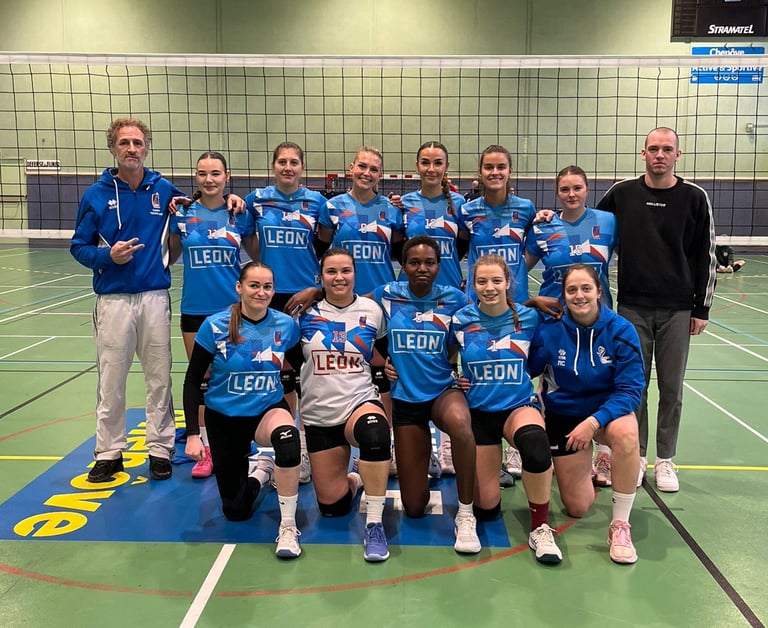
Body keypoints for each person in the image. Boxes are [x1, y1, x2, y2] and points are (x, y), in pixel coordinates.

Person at [596, 127, 717, 492]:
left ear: (677, 155)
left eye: (667, 149)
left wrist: (701, 308)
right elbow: (589, 225)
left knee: (671, 388)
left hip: (678, 309)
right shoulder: (622, 193)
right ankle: (636, 456)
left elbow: (706, 255)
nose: (659, 154)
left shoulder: (694, 197)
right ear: (643, 153)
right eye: (653, 149)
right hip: (632, 307)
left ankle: (665, 460)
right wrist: (549, 220)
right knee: (634, 386)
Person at [71, 117, 180, 483]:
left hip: (154, 297)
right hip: (113, 299)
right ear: (113, 149)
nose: (131, 148)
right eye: (124, 143)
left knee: (159, 378)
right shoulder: (96, 194)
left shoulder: (164, 190)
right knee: (111, 380)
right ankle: (108, 452)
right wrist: (108, 257)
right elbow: (78, 247)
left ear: (146, 147)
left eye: (137, 142)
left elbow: (198, 210)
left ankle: (160, 449)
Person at [183, 261, 303, 558]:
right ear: (239, 287)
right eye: (254, 285)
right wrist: (193, 434)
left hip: (266, 411)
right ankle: (262, 473)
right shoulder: (215, 326)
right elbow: (193, 380)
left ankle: (288, 525)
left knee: (288, 440)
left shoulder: (285, 325)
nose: (261, 292)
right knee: (236, 511)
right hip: (224, 418)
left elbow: (303, 369)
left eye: (267, 287)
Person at [528, 264, 645, 564]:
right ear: (563, 296)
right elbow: (527, 367)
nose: (579, 296)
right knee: (578, 507)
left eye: (586, 289)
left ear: (599, 291)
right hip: (564, 416)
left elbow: (631, 390)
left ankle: (620, 525)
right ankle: (583, 465)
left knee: (627, 435)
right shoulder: (551, 330)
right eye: (572, 290)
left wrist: (593, 423)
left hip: (604, 415)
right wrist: (530, 309)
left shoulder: (621, 330)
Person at [451, 255, 563, 565]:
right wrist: (454, 378)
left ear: (507, 283)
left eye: (496, 281)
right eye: (482, 281)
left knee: (536, 446)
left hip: (517, 406)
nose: (489, 287)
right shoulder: (460, 320)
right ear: (473, 285)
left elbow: (546, 350)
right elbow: (445, 357)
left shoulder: (529, 319)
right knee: (486, 509)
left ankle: (540, 527)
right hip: (480, 412)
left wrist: (535, 301)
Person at [373, 235, 481, 554]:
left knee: (461, 425)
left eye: (429, 263)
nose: (422, 268)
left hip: (442, 390)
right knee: (414, 507)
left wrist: (533, 304)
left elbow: (486, 321)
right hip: (406, 399)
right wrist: (380, 361)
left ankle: (465, 514)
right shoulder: (387, 294)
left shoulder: (454, 299)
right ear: (403, 265)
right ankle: (425, 457)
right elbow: (348, 305)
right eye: (415, 262)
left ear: (439, 266)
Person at [287, 248, 392, 562]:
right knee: (333, 507)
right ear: (320, 277)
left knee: (375, 434)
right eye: (331, 271)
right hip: (320, 415)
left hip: (359, 401)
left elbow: (384, 353)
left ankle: (375, 524)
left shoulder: (372, 311)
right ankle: (355, 478)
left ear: (355, 274)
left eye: (346, 270)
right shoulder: (303, 314)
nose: (339, 277)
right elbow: (292, 359)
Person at [525, 165, 618, 486]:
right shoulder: (544, 226)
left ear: (587, 189)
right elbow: (519, 267)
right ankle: (536, 444)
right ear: (557, 193)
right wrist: (526, 303)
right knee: (549, 384)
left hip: (597, 320)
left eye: (577, 188)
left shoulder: (608, 222)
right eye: (564, 189)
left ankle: (603, 454)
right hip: (555, 321)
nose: (571, 194)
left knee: (602, 382)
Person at [168, 151, 259, 479]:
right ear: (196, 177)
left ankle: (240, 437)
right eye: (203, 173)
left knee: (236, 374)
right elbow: (170, 255)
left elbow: (258, 255)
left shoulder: (238, 214)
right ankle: (205, 449)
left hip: (233, 310)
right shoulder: (182, 214)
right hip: (195, 309)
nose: (209, 179)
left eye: (216, 173)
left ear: (226, 177)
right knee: (203, 380)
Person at [245, 142, 329, 485]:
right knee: (274, 372)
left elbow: (324, 243)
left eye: (294, 162)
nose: (288, 167)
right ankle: (279, 447)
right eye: (282, 161)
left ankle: (305, 449)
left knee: (307, 373)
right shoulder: (256, 200)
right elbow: (248, 239)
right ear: (273, 165)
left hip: (305, 296)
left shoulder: (317, 202)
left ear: (302, 167)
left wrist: (316, 287)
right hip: (268, 295)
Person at [316, 146, 405, 467]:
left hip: (382, 305)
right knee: (345, 370)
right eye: (362, 166)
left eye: (374, 169)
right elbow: (322, 249)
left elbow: (399, 253)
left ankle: (388, 444)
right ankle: (337, 445)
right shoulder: (332, 207)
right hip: (343, 305)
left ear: (381, 175)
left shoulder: (392, 211)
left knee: (386, 375)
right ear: (351, 167)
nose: (367, 173)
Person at [457, 145, 540, 483]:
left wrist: (517, 277)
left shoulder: (525, 209)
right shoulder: (467, 211)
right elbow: (458, 246)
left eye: (501, 167)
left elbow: (532, 248)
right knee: (477, 373)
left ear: (510, 171)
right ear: (480, 173)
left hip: (514, 305)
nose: (495, 172)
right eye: (489, 167)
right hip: (477, 306)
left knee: (514, 367)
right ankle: (477, 444)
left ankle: (514, 444)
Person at [399, 141, 468, 475]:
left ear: (445, 167)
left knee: (447, 365)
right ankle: (418, 446)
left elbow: (464, 244)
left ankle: (448, 446)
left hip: (448, 294)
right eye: (425, 162)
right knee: (415, 365)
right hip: (414, 294)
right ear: (417, 166)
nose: (431, 168)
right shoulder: (404, 204)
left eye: (437, 162)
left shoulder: (460, 206)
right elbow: (398, 247)